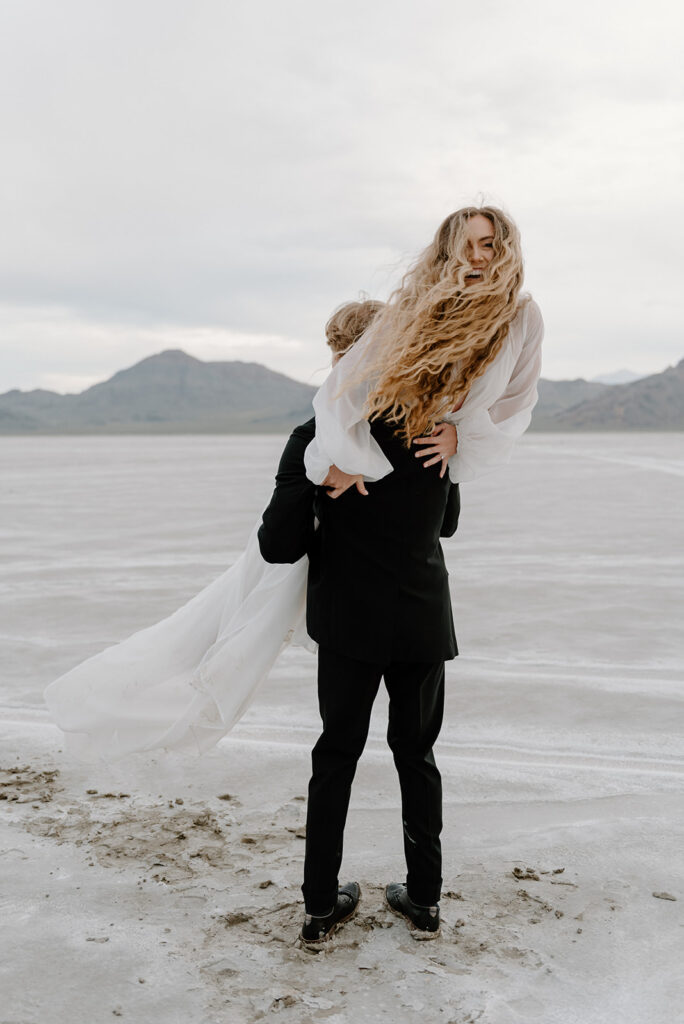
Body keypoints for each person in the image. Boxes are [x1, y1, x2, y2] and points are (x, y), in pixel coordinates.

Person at [273, 205, 543, 944]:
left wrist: (318, 476)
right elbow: (447, 522)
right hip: (422, 616)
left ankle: (321, 905)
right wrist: (457, 441)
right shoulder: (439, 430)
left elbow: (277, 544)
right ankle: (423, 898)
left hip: (350, 621)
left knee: (335, 758)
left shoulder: (330, 440)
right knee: (416, 757)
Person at [42, 301, 395, 761]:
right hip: (388, 602)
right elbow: (444, 524)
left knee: (225, 651)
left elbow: (279, 545)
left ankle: (114, 709)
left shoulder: (315, 435)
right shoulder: (416, 435)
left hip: (335, 601)